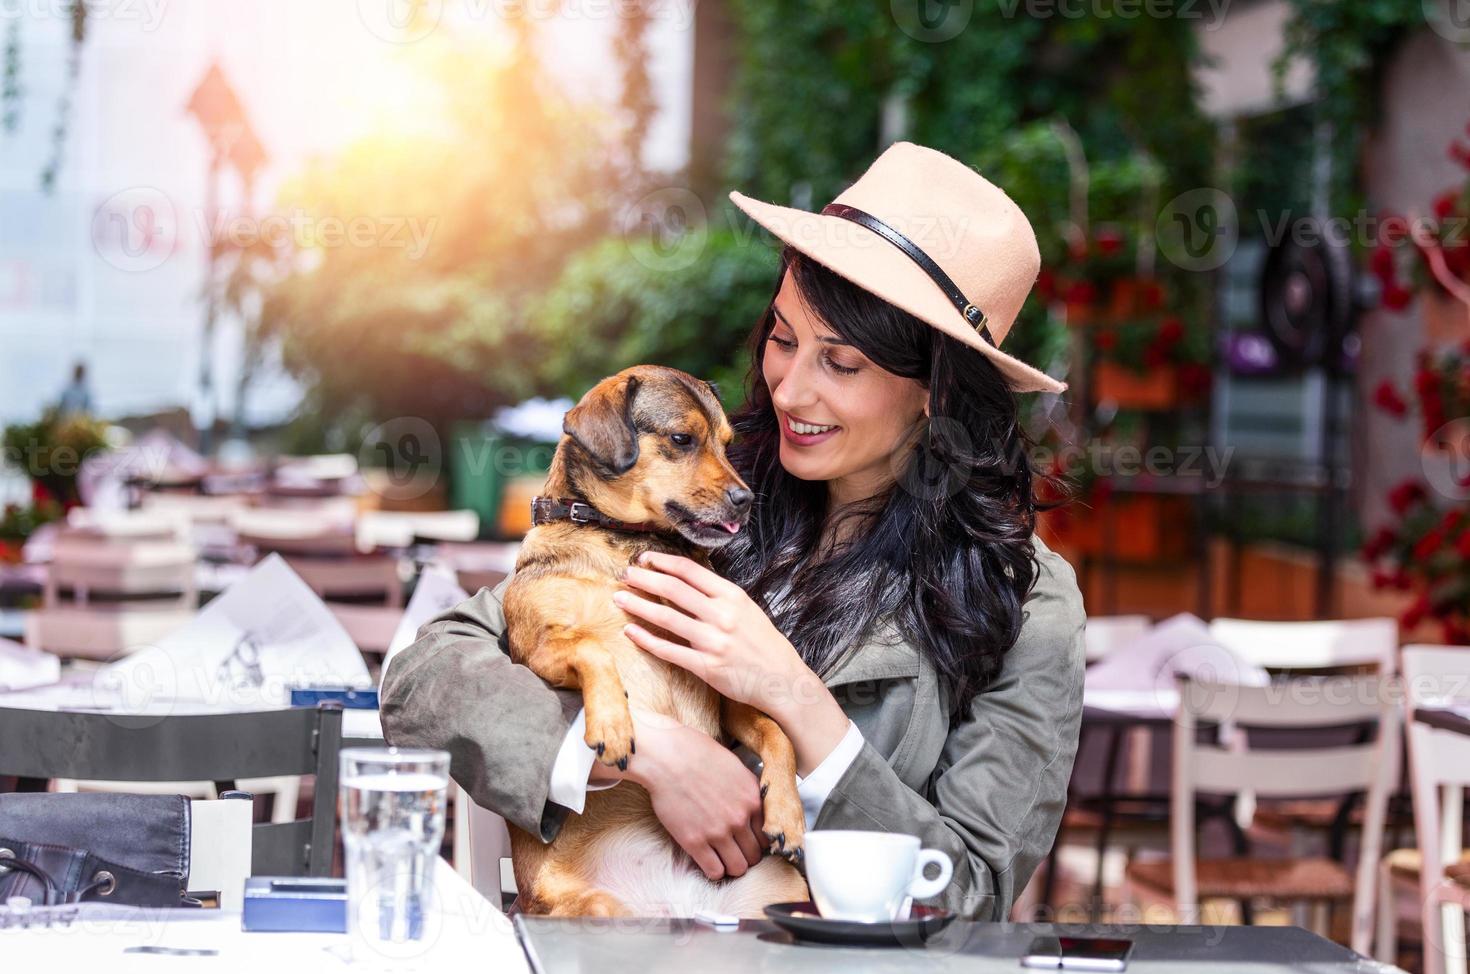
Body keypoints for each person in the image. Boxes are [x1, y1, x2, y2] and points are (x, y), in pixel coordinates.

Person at [381, 142, 1086, 920]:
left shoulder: (1025, 600)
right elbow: (424, 679)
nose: (790, 388)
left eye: (841, 364)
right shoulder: (695, 498)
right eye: (784, 339)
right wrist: (649, 756)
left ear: (934, 392)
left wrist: (791, 695)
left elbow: (969, 892)